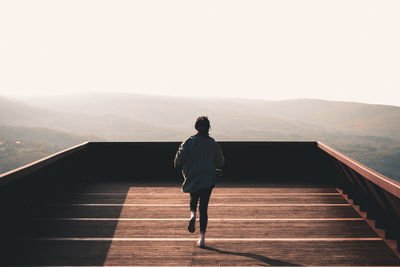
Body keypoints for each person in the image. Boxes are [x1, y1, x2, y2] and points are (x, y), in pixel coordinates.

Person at [174, 116, 225, 248]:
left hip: (192, 177)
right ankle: (202, 238)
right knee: (204, 208)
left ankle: (192, 214)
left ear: (196, 127)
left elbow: (177, 161)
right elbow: (220, 161)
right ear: (208, 128)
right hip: (208, 178)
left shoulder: (188, 142)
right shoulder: (212, 143)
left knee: (193, 196)